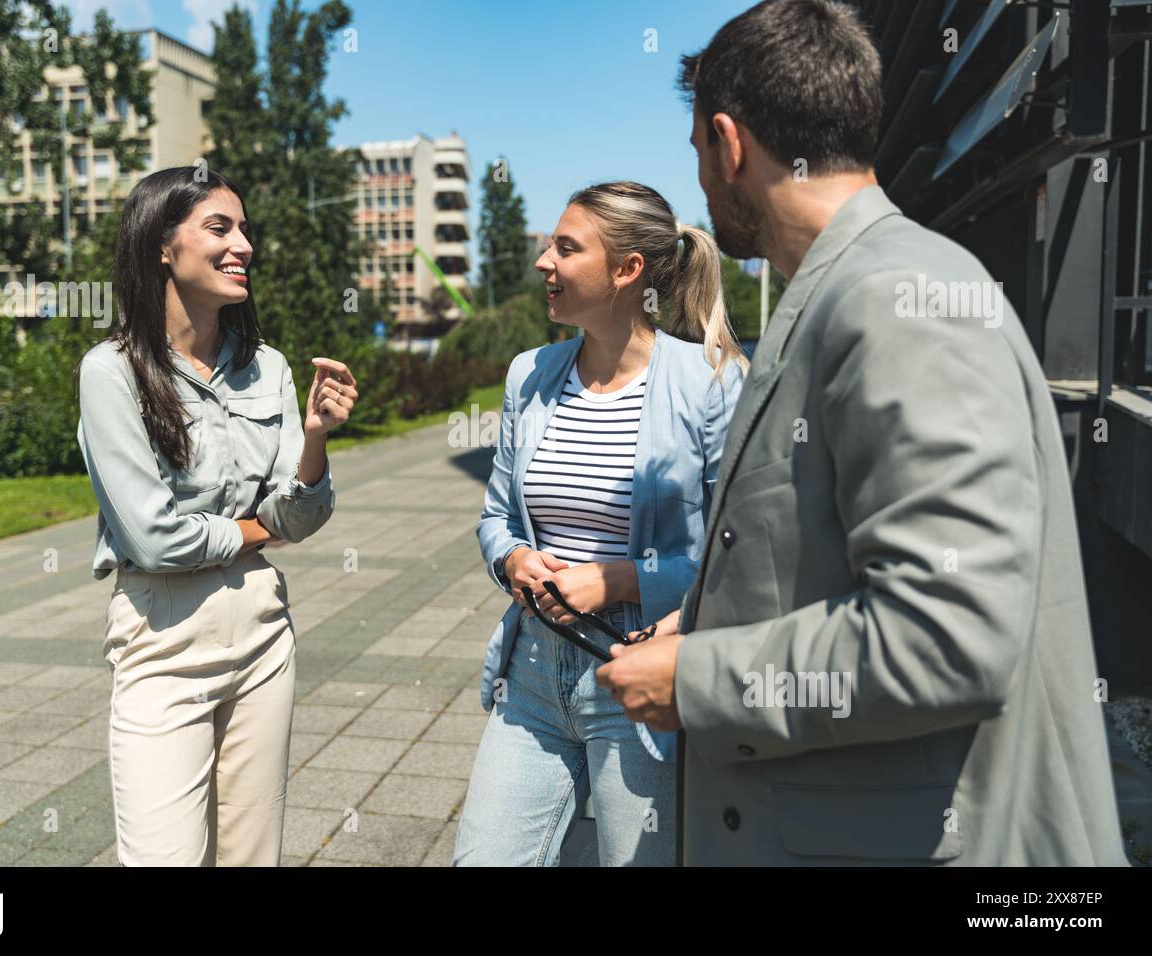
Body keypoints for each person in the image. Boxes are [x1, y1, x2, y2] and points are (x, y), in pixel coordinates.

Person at [596, 0, 1127, 866]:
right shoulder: (852, 294)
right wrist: (697, 629)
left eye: (698, 152)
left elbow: (947, 635)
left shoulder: (892, 303)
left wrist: (696, 678)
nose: (699, 177)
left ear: (730, 144)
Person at [453, 181, 746, 866]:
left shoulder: (711, 381)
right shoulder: (531, 373)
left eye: (566, 248)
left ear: (626, 271)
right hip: (531, 670)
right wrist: (514, 561)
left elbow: (737, 556)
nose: (542, 263)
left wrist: (618, 579)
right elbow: (497, 517)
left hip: (637, 674)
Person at [76, 166, 359, 866]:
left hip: (262, 636)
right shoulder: (111, 373)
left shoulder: (269, 369)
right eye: (220, 227)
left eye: (245, 230)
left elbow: (302, 513)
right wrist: (255, 531)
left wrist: (316, 438)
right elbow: (153, 537)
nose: (245, 246)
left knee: (250, 858)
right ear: (162, 247)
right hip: (162, 642)